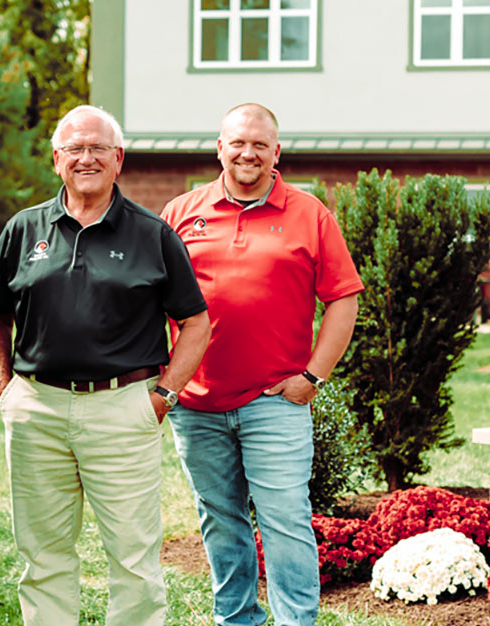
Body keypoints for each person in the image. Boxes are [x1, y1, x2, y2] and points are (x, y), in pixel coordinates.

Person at [0, 105, 212, 626]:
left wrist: (164, 394)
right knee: (42, 557)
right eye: (75, 149)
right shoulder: (23, 230)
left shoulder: (152, 234)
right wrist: (4, 391)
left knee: (133, 558)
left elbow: (196, 324)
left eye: (98, 149)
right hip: (37, 410)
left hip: (123, 409)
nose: (86, 158)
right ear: (57, 160)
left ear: (118, 159)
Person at [160, 103, 363, 626]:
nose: (247, 152)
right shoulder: (181, 212)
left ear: (276, 152)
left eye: (260, 144)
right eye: (238, 142)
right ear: (219, 147)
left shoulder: (309, 213)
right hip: (196, 403)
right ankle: (237, 619)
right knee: (220, 521)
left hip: (274, 400)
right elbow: (149, 301)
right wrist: (166, 382)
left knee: (285, 520)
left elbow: (344, 298)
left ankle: (297, 622)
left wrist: (313, 376)